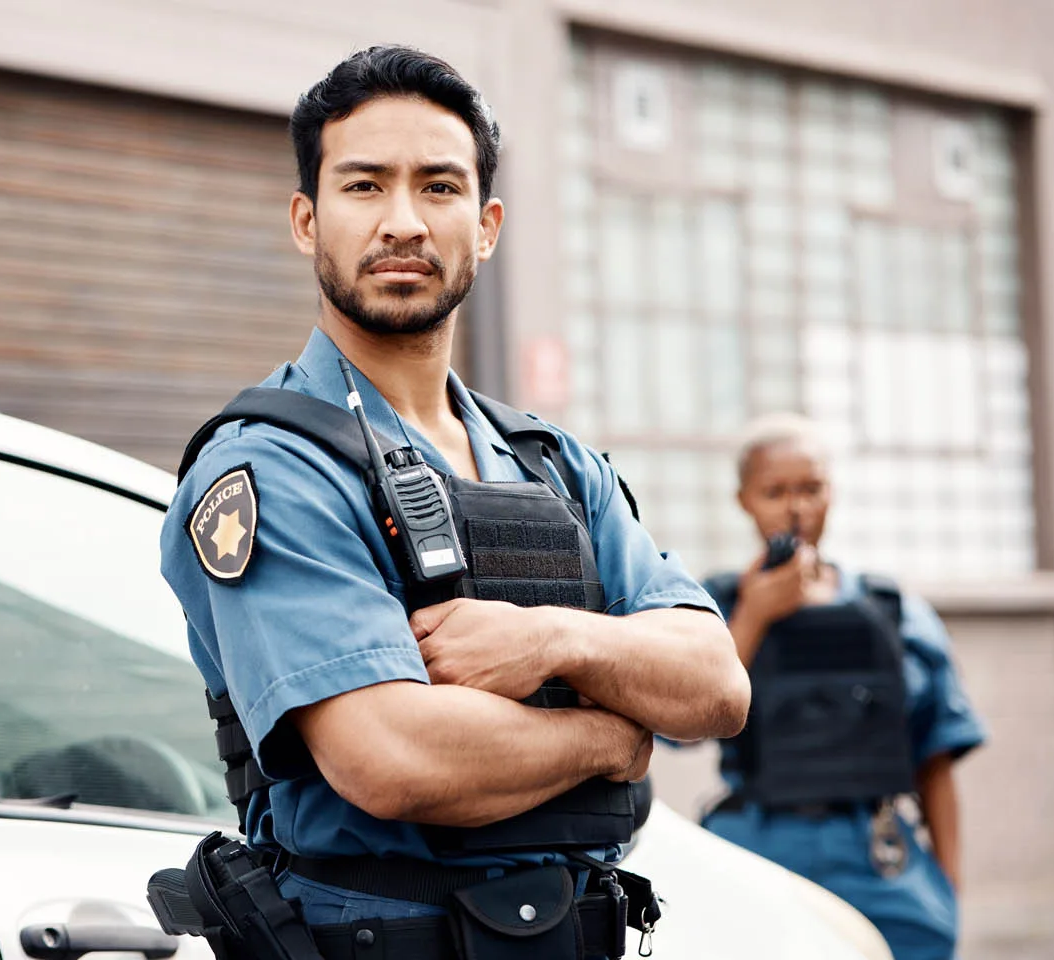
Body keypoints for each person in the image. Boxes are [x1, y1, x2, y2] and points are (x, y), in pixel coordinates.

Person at [153, 46, 750, 960]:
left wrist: (553, 641)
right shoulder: (273, 470)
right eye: (363, 188)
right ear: (307, 221)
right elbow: (394, 757)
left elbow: (713, 685)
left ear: (488, 224)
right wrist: (616, 735)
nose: (402, 223)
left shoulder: (554, 465)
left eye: (438, 187)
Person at [699, 413, 986, 960]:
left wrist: (949, 892)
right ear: (744, 500)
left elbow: (937, 757)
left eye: (810, 488)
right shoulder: (713, 609)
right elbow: (676, 723)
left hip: (875, 854)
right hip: (758, 846)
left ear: (832, 492)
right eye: (775, 491)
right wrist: (753, 619)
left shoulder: (892, 611)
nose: (795, 507)